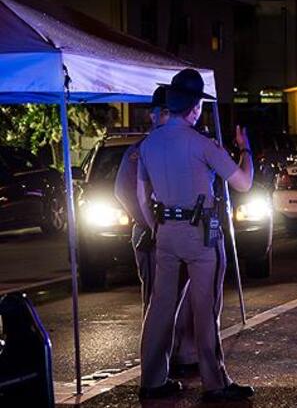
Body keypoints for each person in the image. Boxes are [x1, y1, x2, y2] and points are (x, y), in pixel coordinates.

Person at [136, 69, 255, 402]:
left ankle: (152, 379)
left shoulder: (149, 143)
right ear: (195, 107)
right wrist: (245, 150)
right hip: (201, 235)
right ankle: (215, 382)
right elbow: (244, 183)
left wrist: (157, 227)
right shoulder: (201, 144)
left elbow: (142, 196)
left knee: (161, 308)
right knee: (205, 310)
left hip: (166, 233)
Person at [114, 86, 197, 379]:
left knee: (182, 300)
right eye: (165, 113)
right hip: (152, 237)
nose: (170, 118)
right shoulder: (141, 150)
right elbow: (125, 191)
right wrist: (153, 225)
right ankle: (156, 368)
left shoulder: (177, 145)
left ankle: (181, 354)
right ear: (155, 115)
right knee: (157, 303)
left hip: (179, 235)